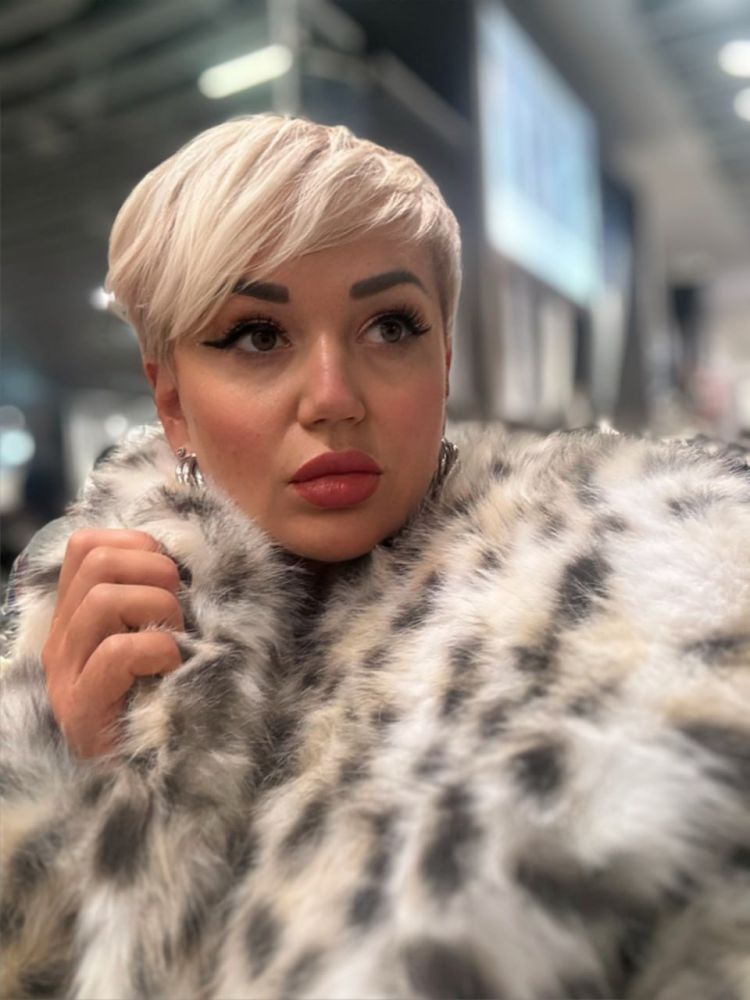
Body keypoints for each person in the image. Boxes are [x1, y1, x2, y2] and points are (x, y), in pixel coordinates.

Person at [1, 114, 748, 1000]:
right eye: (257, 335)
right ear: (170, 400)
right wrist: (73, 787)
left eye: (391, 326)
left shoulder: (636, 614)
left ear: (444, 360)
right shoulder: (90, 628)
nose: (334, 397)